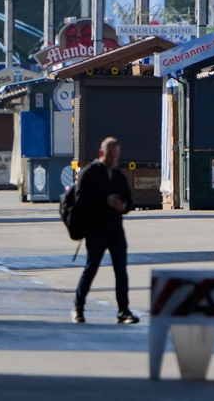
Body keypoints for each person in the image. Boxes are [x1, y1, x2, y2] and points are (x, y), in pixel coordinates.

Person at [71, 137, 138, 325]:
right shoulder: (89, 174)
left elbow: (129, 200)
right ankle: (78, 307)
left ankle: (123, 311)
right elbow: (80, 200)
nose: (112, 160)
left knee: (121, 271)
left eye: (115, 157)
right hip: (95, 230)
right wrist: (105, 201)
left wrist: (123, 206)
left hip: (115, 230)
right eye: (109, 156)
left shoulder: (118, 175)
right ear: (101, 153)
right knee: (91, 268)